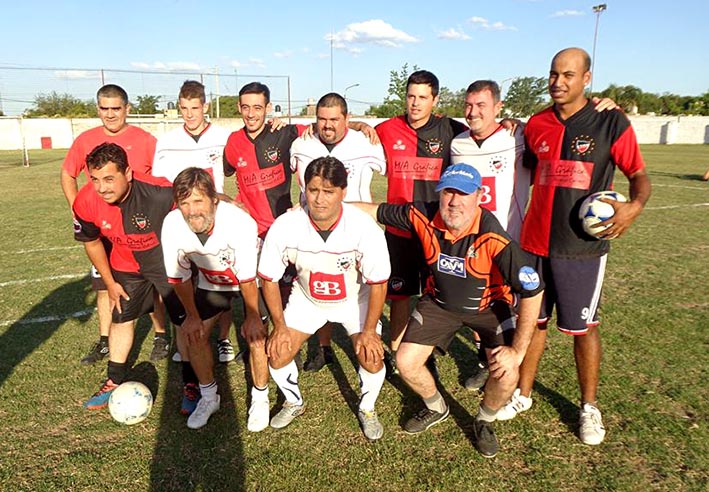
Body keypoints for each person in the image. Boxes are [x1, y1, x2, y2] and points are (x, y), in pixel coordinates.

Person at [497, 47, 652, 446]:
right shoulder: (537, 125)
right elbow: (524, 163)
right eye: (553, 74)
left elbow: (638, 175)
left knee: (584, 328)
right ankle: (523, 395)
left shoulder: (610, 121)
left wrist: (633, 208)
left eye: (568, 75)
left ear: (587, 78)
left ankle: (588, 407)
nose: (558, 82)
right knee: (534, 324)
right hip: (534, 244)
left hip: (581, 249)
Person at [354, 163, 544, 457]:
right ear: (439, 194)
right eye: (448, 192)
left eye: (464, 194)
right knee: (405, 362)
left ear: (480, 196)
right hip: (440, 303)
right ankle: (436, 406)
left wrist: (517, 352)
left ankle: (484, 420)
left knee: (507, 374)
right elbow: (374, 210)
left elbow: (533, 290)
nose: (454, 201)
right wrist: (328, 206)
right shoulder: (422, 215)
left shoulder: (494, 236)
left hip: (488, 308)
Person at [259, 156, 390, 440]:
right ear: (304, 189)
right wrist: (279, 326)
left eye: (328, 191)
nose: (319, 199)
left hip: (355, 301)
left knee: (371, 357)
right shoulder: (286, 225)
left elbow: (378, 283)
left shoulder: (363, 227)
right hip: (307, 299)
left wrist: (369, 331)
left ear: (343, 192)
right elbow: (268, 278)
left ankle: (367, 407)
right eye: (313, 190)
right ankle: (294, 402)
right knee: (278, 352)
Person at [60, 84, 169, 364]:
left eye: (116, 108)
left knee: (152, 284)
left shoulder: (146, 140)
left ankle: (160, 335)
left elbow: (158, 184)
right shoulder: (85, 139)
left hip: (139, 226)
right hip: (103, 225)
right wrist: (78, 210)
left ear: (127, 109)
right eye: (104, 109)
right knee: (103, 284)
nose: (110, 114)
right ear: (97, 109)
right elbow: (67, 173)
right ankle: (105, 340)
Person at [72, 143, 186, 410]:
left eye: (110, 179)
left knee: (183, 321)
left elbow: (195, 199)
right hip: (124, 264)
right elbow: (91, 242)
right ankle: (114, 379)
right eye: (95, 179)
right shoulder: (86, 201)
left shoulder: (159, 191)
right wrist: (110, 283)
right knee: (121, 317)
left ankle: (193, 384)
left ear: (129, 174)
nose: (102, 188)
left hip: (165, 262)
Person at [375, 70, 468, 377]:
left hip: (434, 231)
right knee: (400, 296)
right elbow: (354, 134)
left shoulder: (451, 129)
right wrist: (362, 125)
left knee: (433, 297)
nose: (415, 103)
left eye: (422, 97)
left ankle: (425, 355)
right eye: (411, 96)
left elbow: (485, 132)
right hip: (399, 230)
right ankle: (395, 352)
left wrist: (510, 124)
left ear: (435, 100)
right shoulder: (387, 129)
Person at [161, 168, 265, 430]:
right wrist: (193, 316)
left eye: (198, 201)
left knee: (256, 336)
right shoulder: (172, 224)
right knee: (192, 334)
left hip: (252, 280)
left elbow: (247, 279)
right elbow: (179, 276)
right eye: (184, 203)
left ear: (214, 200)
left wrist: (252, 316)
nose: (192, 210)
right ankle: (209, 397)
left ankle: (260, 397)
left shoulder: (239, 223)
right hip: (213, 283)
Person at [290, 92, 386, 371]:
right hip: (314, 231)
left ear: (347, 119)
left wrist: (360, 127)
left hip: (358, 235)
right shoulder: (301, 144)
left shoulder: (365, 142)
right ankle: (323, 348)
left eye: (334, 119)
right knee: (318, 286)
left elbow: (386, 169)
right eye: (322, 119)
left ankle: (371, 340)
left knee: (364, 292)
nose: (327, 125)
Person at [450, 80, 532, 392]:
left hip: (511, 242)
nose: (473, 112)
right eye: (468, 105)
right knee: (478, 305)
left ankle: (513, 372)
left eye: (481, 105)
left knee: (512, 308)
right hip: (474, 244)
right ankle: (486, 361)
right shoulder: (458, 145)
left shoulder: (518, 137)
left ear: (498, 108)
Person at [152, 80, 236, 364]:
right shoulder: (167, 142)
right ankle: (185, 336)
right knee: (183, 279)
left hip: (215, 217)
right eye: (184, 108)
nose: (189, 114)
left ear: (205, 106)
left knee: (218, 279)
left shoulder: (225, 137)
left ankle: (223, 339)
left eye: (195, 108)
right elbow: (162, 184)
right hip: (182, 220)